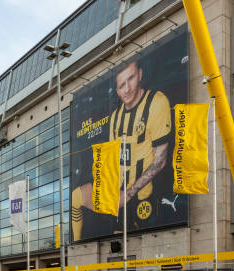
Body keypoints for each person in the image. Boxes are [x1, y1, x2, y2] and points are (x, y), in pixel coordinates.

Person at [71, 58, 172, 240]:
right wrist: (109, 190)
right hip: (119, 193)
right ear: (116, 90)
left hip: (142, 193)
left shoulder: (156, 102)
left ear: (140, 74)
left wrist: (128, 193)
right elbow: (114, 159)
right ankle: (73, 253)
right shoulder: (116, 117)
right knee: (76, 197)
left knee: (133, 248)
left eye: (131, 79)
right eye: (121, 85)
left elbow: (160, 160)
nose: (127, 89)